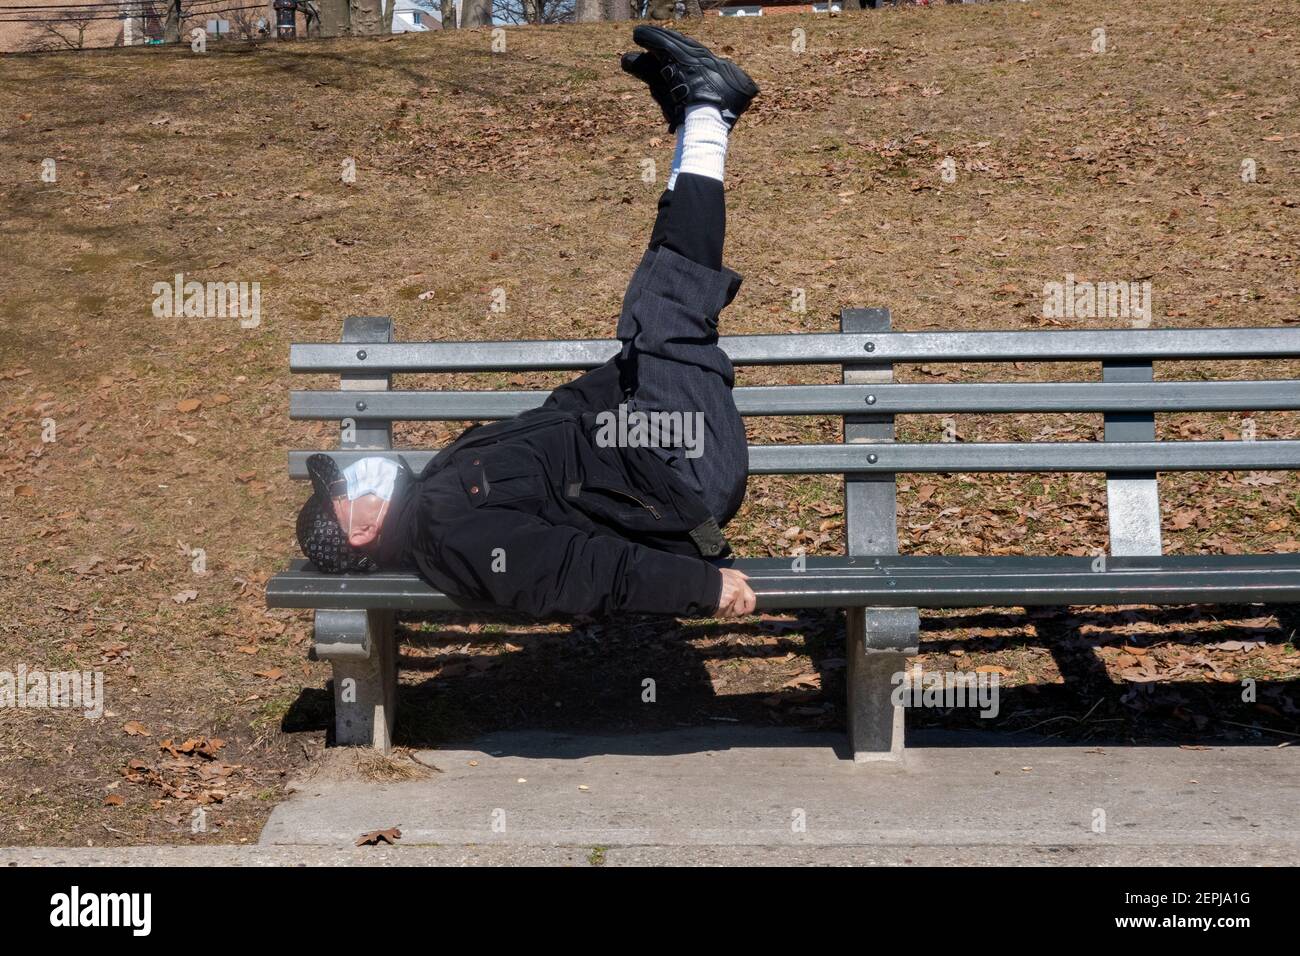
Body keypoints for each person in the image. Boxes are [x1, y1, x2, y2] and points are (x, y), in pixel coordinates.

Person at [297, 27, 760, 619]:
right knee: (669, 309)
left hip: (645, 450)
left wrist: (626, 372)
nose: (352, 482)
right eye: (343, 497)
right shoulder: (447, 534)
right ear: (362, 533)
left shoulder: (440, 488)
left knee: (654, 301)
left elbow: (558, 424)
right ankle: (706, 114)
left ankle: (694, 118)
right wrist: (697, 586)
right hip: (678, 474)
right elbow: (565, 567)